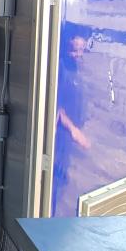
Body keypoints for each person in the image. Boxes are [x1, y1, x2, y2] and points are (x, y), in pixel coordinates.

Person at [51, 23, 91, 216]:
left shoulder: (76, 67)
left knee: (63, 178)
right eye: (74, 50)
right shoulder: (60, 67)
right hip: (61, 134)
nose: (77, 54)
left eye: (81, 50)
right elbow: (56, 107)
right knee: (55, 179)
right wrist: (74, 131)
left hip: (69, 137)